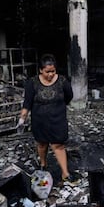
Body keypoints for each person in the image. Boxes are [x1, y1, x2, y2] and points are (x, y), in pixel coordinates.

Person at [18, 54, 79, 185]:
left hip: (58, 119)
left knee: (58, 144)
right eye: (47, 72)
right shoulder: (32, 82)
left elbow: (69, 96)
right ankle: (43, 164)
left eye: (53, 71)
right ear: (41, 70)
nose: (50, 74)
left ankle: (65, 173)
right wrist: (23, 117)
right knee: (42, 143)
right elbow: (27, 102)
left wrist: (57, 106)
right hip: (39, 120)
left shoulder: (62, 81)